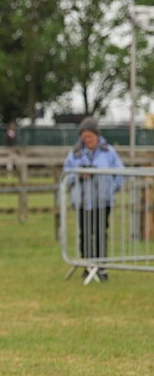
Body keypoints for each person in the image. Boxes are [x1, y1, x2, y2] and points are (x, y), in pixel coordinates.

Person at [63, 117, 124, 281]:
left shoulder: (108, 151)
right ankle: (87, 265)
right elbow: (66, 174)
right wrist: (78, 176)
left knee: (100, 233)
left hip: (102, 201)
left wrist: (112, 187)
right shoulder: (75, 153)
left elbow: (120, 172)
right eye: (84, 136)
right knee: (85, 233)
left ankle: (101, 266)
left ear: (97, 135)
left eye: (90, 135)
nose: (87, 139)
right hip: (83, 201)